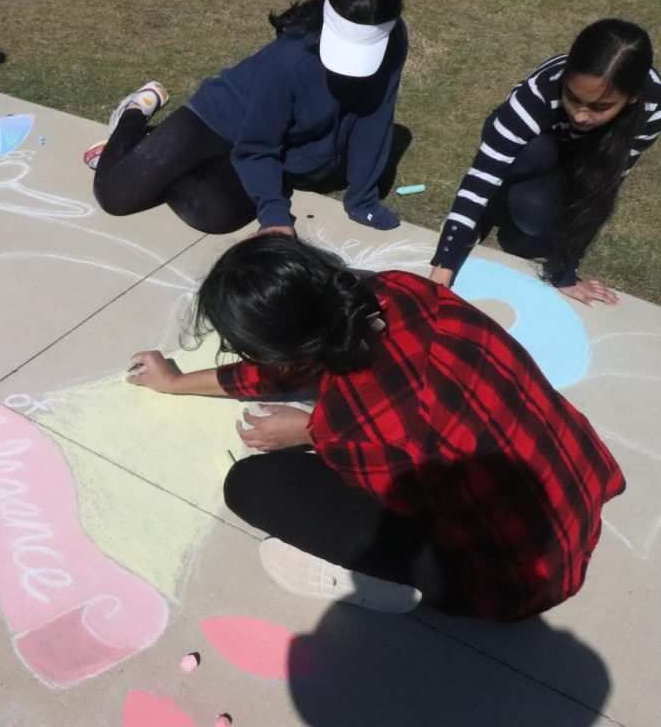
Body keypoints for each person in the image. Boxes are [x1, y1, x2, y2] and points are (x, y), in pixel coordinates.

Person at [127, 235, 624, 620]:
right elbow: (294, 366)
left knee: (252, 485)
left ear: (282, 353)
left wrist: (313, 431)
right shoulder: (400, 288)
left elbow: (408, 496)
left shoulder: (349, 428)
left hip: (512, 578)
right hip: (575, 481)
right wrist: (174, 382)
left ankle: (375, 586)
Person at [88, 0, 408, 236]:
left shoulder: (394, 38)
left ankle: (162, 155)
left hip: (273, 139)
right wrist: (275, 218)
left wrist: (362, 201)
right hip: (219, 119)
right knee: (116, 196)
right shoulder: (288, 60)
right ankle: (134, 115)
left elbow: (374, 116)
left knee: (211, 213)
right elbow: (258, 145)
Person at [428, 19, 661, 306]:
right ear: (566, 76)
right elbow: (480, 177)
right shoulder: (537, 93)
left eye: (600, 107)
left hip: (575, 158)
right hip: (533, 148)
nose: (581, 115)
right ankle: (494, 203)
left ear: (632, 98)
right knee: (534, 153)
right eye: (573, 97)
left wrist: (565, 273)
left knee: (535, 219)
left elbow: (601, 189)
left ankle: (514, 201)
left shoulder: (655, 105)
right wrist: (443, 265)